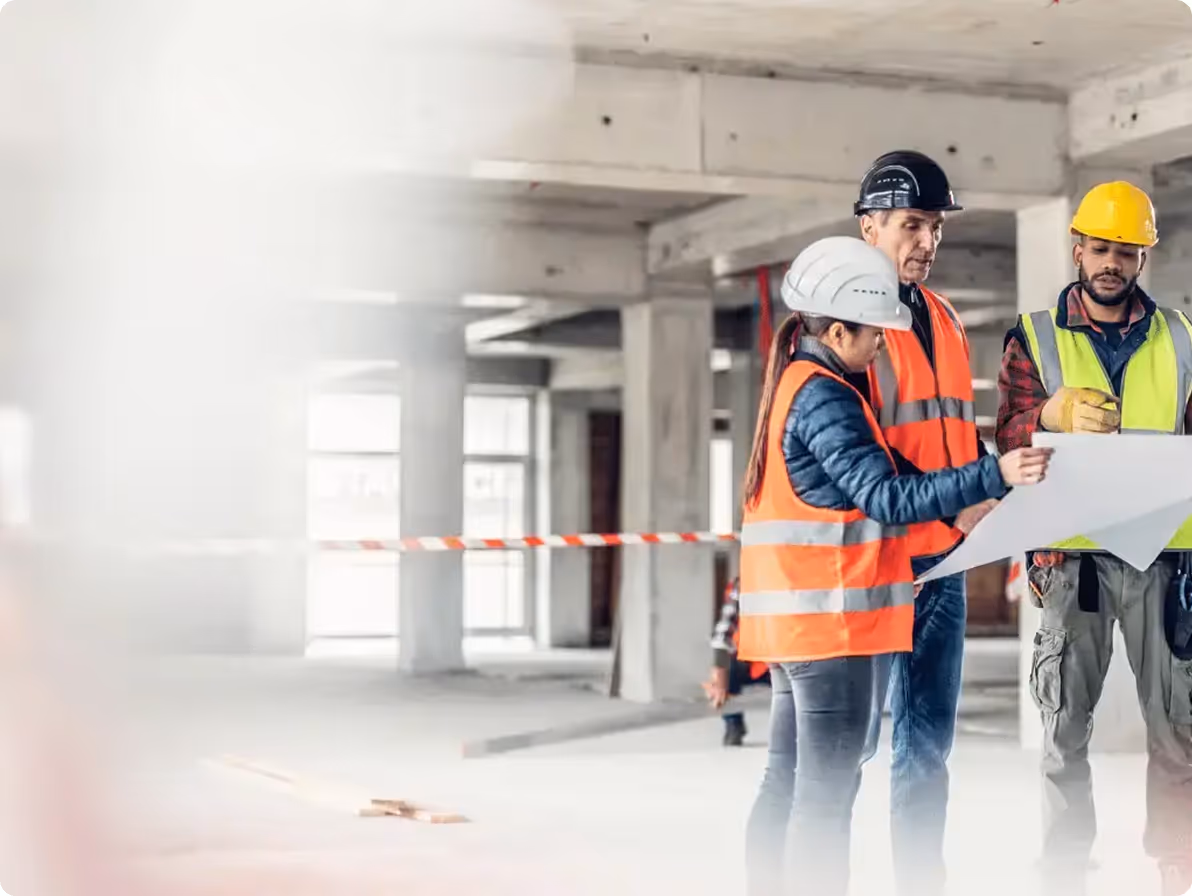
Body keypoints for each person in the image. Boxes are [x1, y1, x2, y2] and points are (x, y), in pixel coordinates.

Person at [738, 234, 1051, 896]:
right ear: (840, 328)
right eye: (874, 333)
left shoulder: (801, 380)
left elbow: (888, 471)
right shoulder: (826, 397)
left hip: (797, 627)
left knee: (788, 779)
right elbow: (885, 496)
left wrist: (967, 496)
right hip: (832, 628)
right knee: (822, 796)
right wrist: (991, 472)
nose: (882, 345)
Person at [996, 180, 1192, 896]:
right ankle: (1063, 875)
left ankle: (1179, 870)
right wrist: (1051, 409)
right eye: (1101, 247)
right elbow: (1009, 436)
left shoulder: (1181, 337)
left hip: (1163, 560)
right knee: (1063, 735)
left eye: (1127, 252)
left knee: (1178, 733)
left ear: (1144, 257)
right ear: (1078, 247)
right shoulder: (1034, 335)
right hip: (1070, 559)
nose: (1112, 262)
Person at [853, 149, 993, 896]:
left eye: (935, 227)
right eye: (912, 224)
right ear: (870, 225)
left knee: (928, 745)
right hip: (877, 564)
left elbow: (957, 433)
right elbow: (861, 453)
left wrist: (987, 499)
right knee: (847, 746)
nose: (926, 242)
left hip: (945, 564)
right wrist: (954, 497)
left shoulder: (944, 317)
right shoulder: (850, 320)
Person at [704, 576, 770, 746]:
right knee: (727, 672)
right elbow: (723, 635)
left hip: (787, 659)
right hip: (751, 660)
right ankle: (733, 725)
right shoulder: (743, 584)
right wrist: (718, 679)